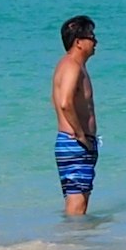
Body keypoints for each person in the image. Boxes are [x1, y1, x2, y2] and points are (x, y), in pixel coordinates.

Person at [52, 15, 100, 217]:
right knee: (77, 205)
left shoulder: (68, 65)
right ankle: (73, 246)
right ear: (78, 42)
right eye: (91, 36)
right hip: (75, 144)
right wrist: (81, 135)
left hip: (73, 145)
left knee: (76, 202)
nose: (95, 41)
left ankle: (77, 244)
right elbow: (65, 102)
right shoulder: (72, 66)